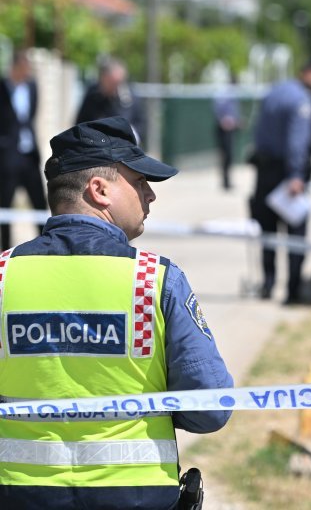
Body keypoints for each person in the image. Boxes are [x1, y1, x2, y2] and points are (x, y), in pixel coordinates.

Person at [0, 116, 234, 509]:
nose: (150, 196)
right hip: (135, 497)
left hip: (19, 494)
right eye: (140, 182)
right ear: (99, 190)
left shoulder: (4, 277)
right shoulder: (153, 281)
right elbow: (210, 409)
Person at [250, 61, 311, 304]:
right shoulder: (301, 99)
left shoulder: (274, 92)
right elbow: (297, 141)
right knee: (296, 235)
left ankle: (268, 284)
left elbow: (258, 132)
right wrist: (296, 175)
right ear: (310, 73)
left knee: (267, 232)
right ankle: (293, 290)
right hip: (286, 175)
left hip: (264, 172)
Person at [0, 49, 47, 250]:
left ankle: (46, 246)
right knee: (5, 207)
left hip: (29, 156)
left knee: (39, 204)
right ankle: (5, 249)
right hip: (7, 158)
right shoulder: (2, 87)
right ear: (15, 67)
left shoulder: (32, 87)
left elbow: (31, 116)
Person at [76, 57, 147, 144]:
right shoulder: (92, 96)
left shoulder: (131, 99)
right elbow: (79, 125)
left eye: (118, 83)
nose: (115, 87)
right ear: (102, 78)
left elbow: (141, 128)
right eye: (112, 83)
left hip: (124, 150)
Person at [212, 77, 242, 190]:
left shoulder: (232, 94)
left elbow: (233, 111)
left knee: (229, 155)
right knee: (225, 155)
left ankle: (227, 180)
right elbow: (218, 109)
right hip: (224, 128)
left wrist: (237, 121)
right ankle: (225, 181)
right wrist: (223, 120)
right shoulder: (225, 93)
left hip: (231, 128)